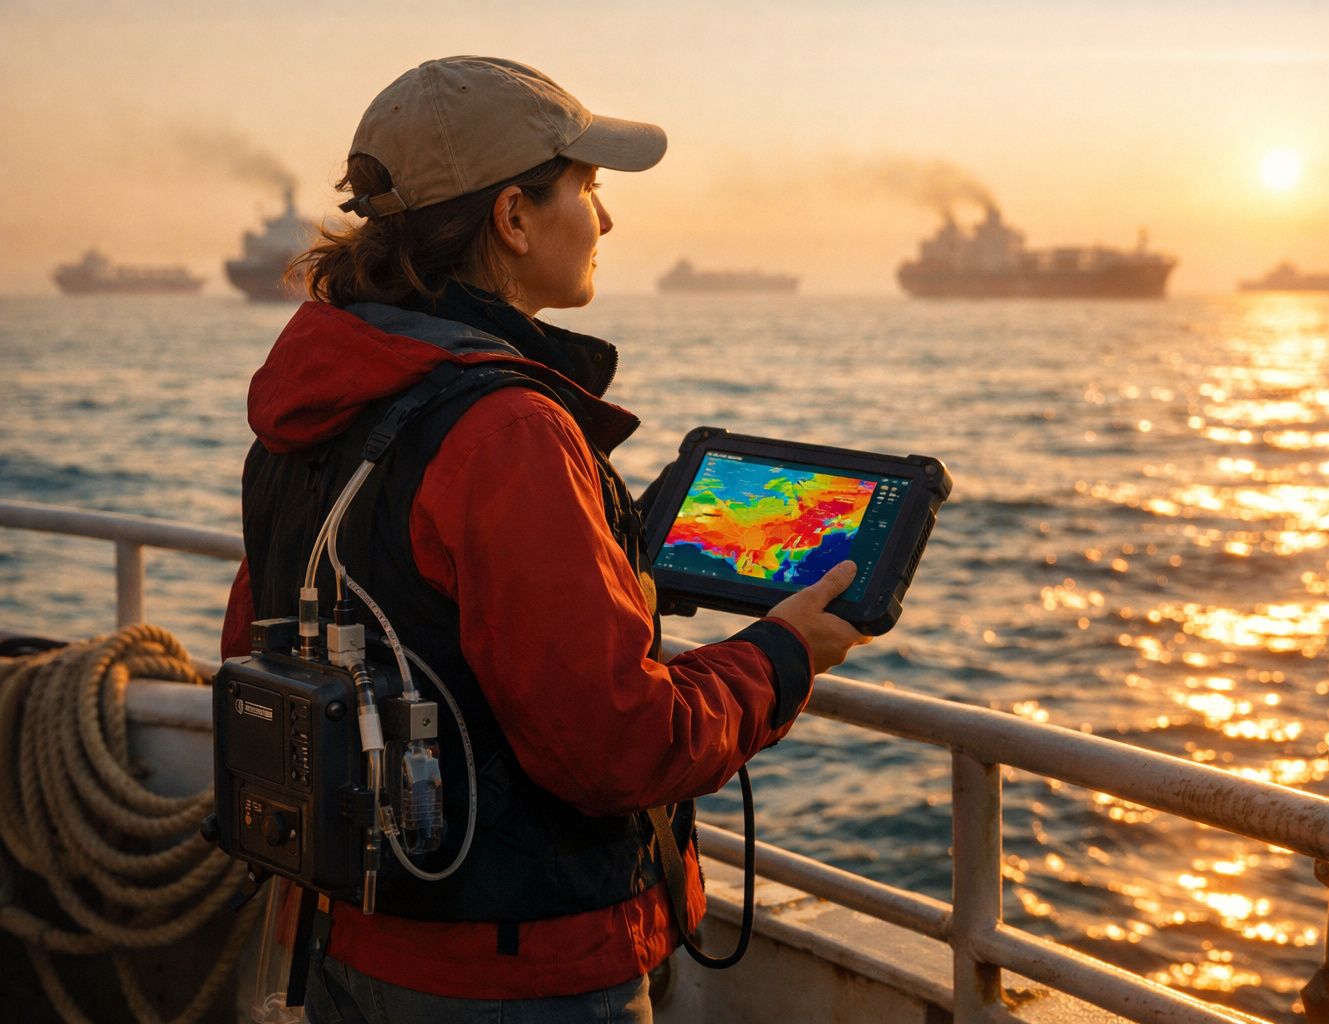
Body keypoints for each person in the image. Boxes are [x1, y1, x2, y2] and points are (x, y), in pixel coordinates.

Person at [219, 56, 869, 1023]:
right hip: (516, 976)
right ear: (512, 219)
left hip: (343, 935)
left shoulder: (312, 404)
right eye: (588, 187)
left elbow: (259, 640)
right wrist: (780, 659)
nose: (606, 220)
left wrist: (599, 560)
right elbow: (615, 748)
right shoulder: (509, 431)